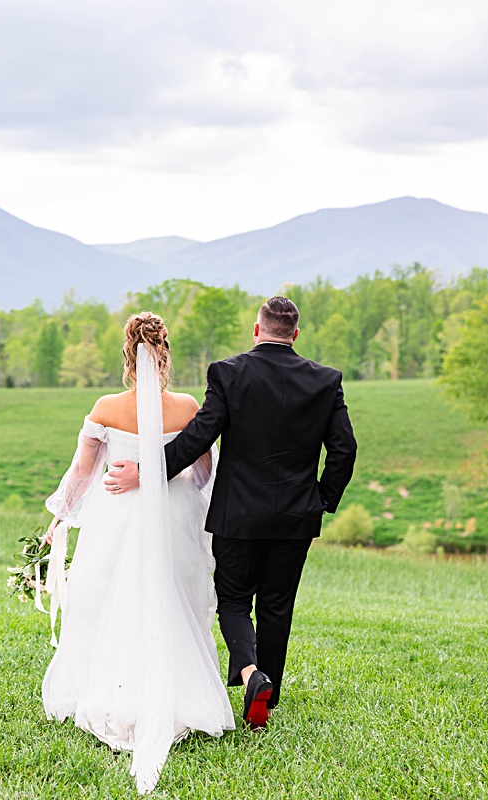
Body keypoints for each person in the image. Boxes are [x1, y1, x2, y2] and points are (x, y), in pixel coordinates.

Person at [104, 296, 357, 731]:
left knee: (235, 601)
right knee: (277, 605)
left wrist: (145, 470)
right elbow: (345, 449)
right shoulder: (325, 381)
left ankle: (249, 673)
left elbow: (196, 439)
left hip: (237, 515)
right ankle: (266, 698)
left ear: (257, 330)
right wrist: (321, 499)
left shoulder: (228, 373)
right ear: (294, 335)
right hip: (296, 517)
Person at [40, 312, 234, 795]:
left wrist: (59, 517)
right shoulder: (189, 406)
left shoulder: (105, 407)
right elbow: (204, 473)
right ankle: (177, 692)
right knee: (175, 598)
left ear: (128, 355)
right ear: (164, 353)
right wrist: (198, 511)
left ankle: (107, 689)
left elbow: (82, 473)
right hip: (174, 516)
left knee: (104, 599)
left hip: (117, 514)